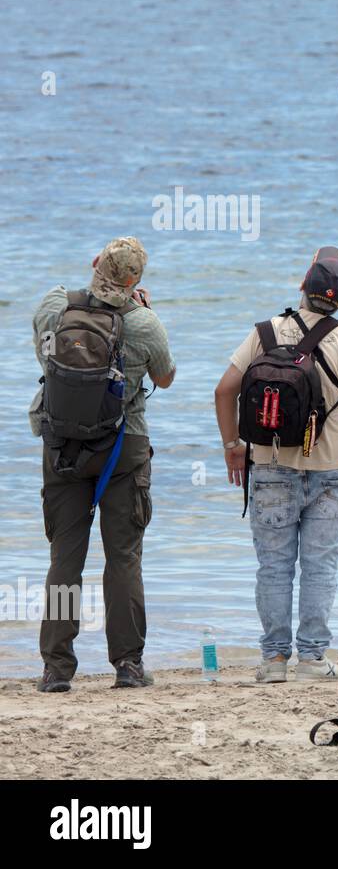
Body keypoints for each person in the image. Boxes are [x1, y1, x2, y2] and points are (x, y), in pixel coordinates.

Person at [214, 247, 338, 683]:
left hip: (270, 461)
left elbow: (224, 390)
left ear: (303, 286)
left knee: (274, 565)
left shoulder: (264, 332)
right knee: (320, 566)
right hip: (334, 466)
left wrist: (232, 444)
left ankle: (274, 661)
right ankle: (313, 659)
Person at [32, 237, 176, 692]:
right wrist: (143, 314)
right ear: (136, 281)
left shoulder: (55, 305)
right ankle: (128, 665)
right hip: (122, 447)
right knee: (123, 559)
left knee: (65, 558)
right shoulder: (144, 323)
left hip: (63, 447)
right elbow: (165, 378)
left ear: (95, 263)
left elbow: (45, 357)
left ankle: (57, 668)